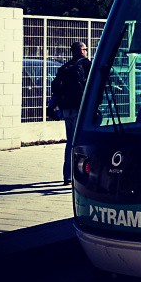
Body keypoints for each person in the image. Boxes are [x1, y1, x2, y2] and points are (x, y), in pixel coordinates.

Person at [48, 41, 91, 184]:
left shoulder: (65, 67)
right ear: (82, 50)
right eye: (85, 49)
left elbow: (55, 87)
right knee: (84, 142)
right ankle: (83, 174)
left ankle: (67, 175)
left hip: (66, 110)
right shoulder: (86, 64)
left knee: (70, 142)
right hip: (81, 109)